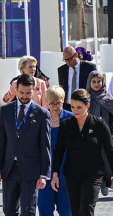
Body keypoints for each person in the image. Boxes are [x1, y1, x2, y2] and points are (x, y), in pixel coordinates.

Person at [51, 90, 113, 216]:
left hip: (93, 174)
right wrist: (55, 173)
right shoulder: (66, 125)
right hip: (71, 174)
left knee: (87, 210)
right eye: (72, 107)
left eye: (79, 107)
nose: (75, 110)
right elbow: (59, 151)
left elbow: (110, 150)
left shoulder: (99, 124)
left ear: (87, 106)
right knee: (76, 212)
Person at [0, 74, 52, 216]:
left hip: (31, 171)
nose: (24, 96)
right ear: (16, 90)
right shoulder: (6, 111)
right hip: (9, 169)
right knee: (9, 210)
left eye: (28, 93)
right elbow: (0, 142)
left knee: (27, 210)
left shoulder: (42, 114)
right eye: (21, 92)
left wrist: (44, 174)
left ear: (34, 91)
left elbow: (45, 146)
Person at [37, 86, 73, 216]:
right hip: (45, 175)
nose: (55, 106)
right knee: (45, 211)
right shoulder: (41, 119)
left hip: (65, 174)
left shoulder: (70, 119)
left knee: (66, 212)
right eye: (51, 103)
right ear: (46, 101)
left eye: (58, 102)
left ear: (63, 100)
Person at [58, 46, 97, 111]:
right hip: (67, 106)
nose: (68, 62)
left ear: (76, 55)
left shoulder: (89, 68)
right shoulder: (62, 70)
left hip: (83, 105)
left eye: (70, 59)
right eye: (65, 60)